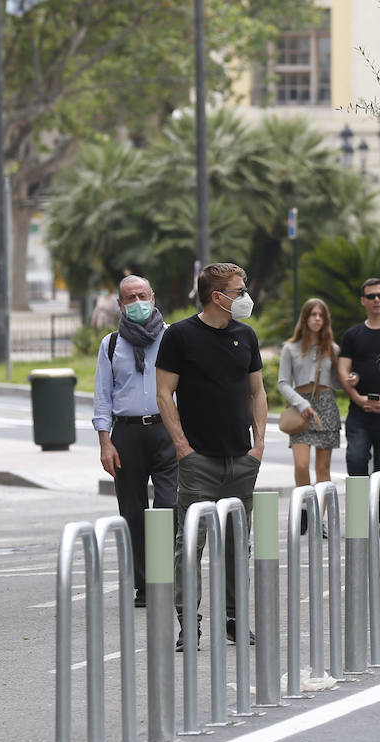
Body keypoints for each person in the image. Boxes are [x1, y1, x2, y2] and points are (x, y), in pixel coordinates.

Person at [155, 262, 266, 650]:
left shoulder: (246, 336)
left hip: (241, 458)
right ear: (218, 296)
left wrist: (259, 445)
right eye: (239, 291)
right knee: (190, 545)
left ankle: (234, 620)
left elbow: (257, 392)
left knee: (239, 545)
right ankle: (190, 624)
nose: (245, 297)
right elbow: (164, 393)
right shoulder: (180, 336)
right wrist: (183, 448)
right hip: (198, 460)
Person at [92, 275, 176, 608]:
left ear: (153, 298)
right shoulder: (111, 345)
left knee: (169, 506)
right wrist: (104, 441)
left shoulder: (173, 338)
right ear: (120, 304)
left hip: (166, 430)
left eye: (143, 295)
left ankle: (164, 575)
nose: (138, 302)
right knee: (133, 512)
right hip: (126, 434)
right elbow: (102, 396)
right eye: (130, 297)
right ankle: (143, 584)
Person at [277, 298, 341, 535]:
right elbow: (283, 382)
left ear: (325, 320)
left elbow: (336, 382)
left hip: (326, 407)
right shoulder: (290, 348)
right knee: (301, 464)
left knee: (323, 469)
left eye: (320, 315)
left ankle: (317, 520)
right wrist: (302, 403)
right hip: (300, 407)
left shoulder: (332, 349)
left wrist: (350, 379)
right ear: (304, 318)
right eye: (312, 314)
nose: (316, 318)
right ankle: (305, 505)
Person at [338, 278, 380, 477]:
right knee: (355, 458)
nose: (376, 299)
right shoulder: (352, 335)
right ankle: (359, 507)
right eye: (370, 296)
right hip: (359, 412)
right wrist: (358, 398)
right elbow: (342, 369)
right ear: (363, 301)